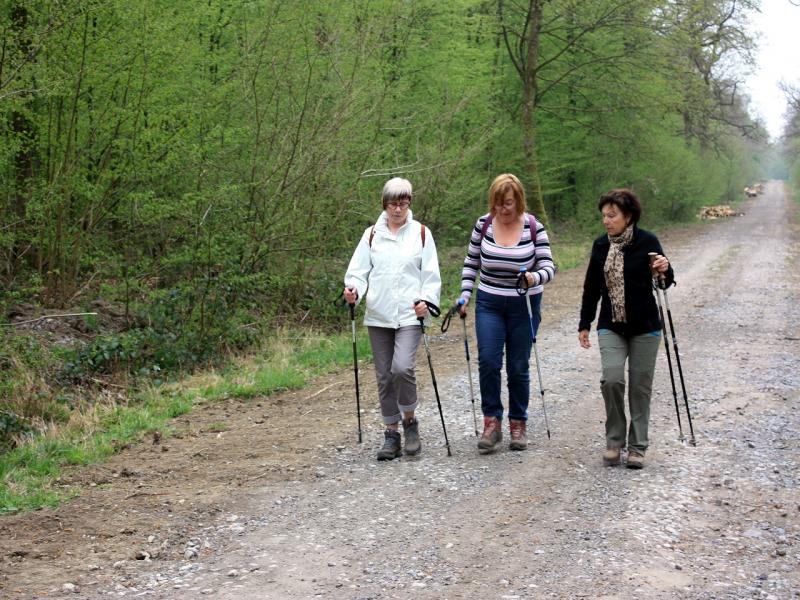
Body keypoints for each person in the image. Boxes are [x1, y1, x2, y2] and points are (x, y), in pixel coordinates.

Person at [343, 177, 441, 461]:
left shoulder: (421, 233)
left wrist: (427, 302)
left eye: (403, 203)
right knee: (385, 376)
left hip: (411, 313)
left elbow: (431, 274)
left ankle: (410, 422)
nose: (398, 209)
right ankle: (391, 434)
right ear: (384, 204)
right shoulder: (371, 235)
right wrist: (353, 290)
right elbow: (358, 271)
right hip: (379, 314)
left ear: (409, 203)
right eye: (393, 203)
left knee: (401, 368)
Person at [578, 188, 674, 469]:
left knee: (639, 388)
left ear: (628, 216)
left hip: (645, 326)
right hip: (611, 325)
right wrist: (584, 323)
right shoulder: (600, 246)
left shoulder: (648, 242)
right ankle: (614, 441)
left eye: (612, 215)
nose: (606, 221)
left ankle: (637, 447)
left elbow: (665, 282)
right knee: (612, 379)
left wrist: (664, 268)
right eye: (604, 216)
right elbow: (591, 289)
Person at [459, 173, 555, 452]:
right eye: (498, 203)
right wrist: (465, 294)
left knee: (518, 365)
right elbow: (471, 262)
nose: (503, 209)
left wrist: (533, 278)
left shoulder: (534, 227)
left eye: (508, 203)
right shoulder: (483, 224)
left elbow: (549, 268)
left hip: (524, 305)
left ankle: (518, 423)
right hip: (489, 303)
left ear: (519, 201)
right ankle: (491, 423)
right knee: (489, 362)